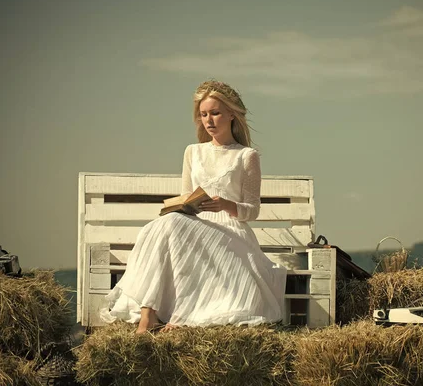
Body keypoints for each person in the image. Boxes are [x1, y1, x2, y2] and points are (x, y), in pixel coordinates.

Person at [100, 80, 288, 334]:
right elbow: (186, 196)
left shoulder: (246, 156)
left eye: (215, 113)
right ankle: (149, 313)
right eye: (203, 115)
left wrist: (226, 204)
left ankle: (163, 315)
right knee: (161, 224)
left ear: (232, 114)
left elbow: (252, 210)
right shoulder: (192, 152)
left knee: (170, 225)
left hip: (231, 233)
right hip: (193, 225)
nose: (208, 120)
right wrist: (183, 206)